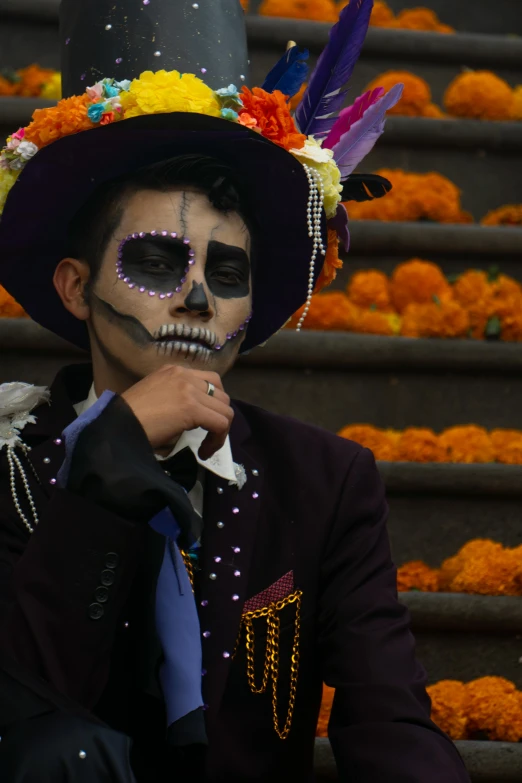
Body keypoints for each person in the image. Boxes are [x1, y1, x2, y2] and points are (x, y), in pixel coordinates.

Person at [0, 0, 470, 781]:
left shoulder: (320, 482)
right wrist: (101, 476)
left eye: (226, 275)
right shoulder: (13, 466)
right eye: (155, 262)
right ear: (76, 286)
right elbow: (26, 711)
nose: (196, 299)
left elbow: (389, 720)